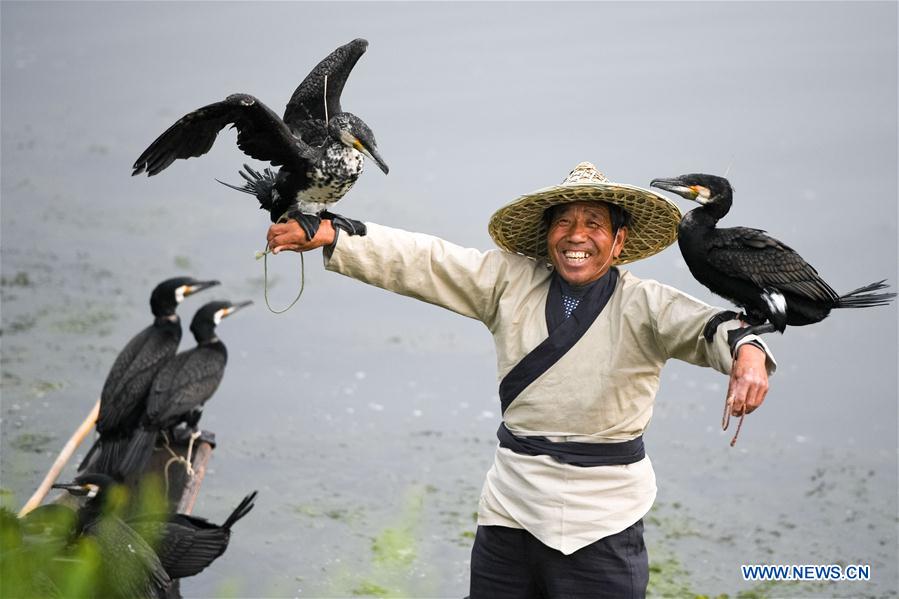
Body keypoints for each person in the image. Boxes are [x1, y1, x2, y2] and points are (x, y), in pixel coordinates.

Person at [267, 162, 774, 598]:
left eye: (594, 224)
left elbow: (711, 326)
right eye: (565, 223)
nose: (577, 236)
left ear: (619, 242)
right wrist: (333, 232)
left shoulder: (647, 303)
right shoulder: (508, 281)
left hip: (603, 520)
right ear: (547, 236)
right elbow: (427, 261)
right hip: (509, 510)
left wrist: (747, 351)